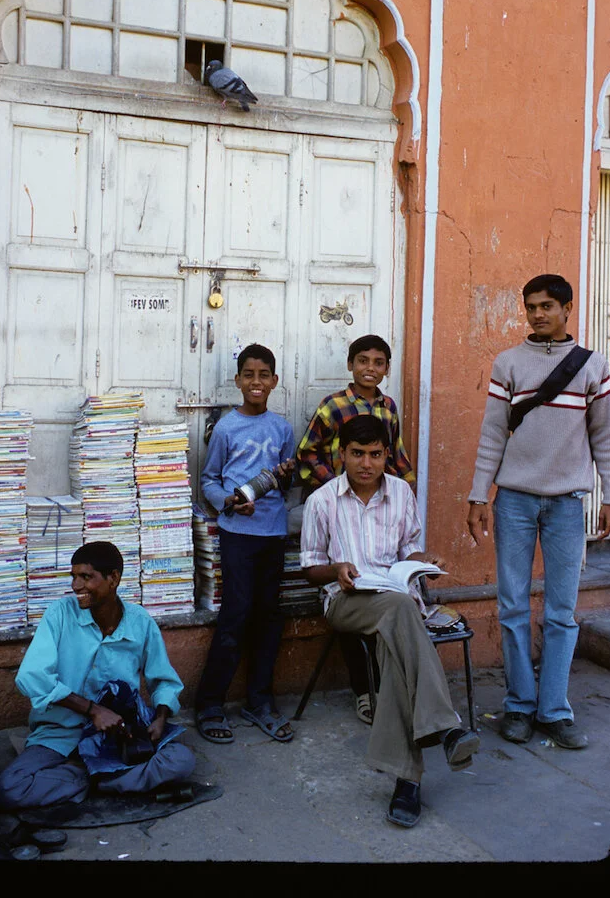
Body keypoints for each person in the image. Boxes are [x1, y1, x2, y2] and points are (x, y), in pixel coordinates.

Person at [300, 414, 479, 828]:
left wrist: (424, 561)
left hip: (396, 600)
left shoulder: (401, 493)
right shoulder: (322, 500)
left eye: (376, 455)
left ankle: (408, 781)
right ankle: (445, 726)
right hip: (347, 600)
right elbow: (310, 567)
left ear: (387, 456)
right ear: (341, 454)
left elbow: (409, 550)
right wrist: (338, 568)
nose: (367, 463)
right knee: (400, 611)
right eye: (357, 454)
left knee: (396, 650)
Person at [467, 274, 610, 750]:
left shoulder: (594, 367)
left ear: (567, 308)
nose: (538, 314)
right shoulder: (508, 363)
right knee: (512, 604)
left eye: (547, 306)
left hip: (567, 505)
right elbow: (493, 434)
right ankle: (518, 706)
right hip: (512, 499)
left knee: (562, 611)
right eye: (531, 306)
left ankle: (554, 710)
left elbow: (605, 438)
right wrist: (477, 496)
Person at [0, 541, 195, 809]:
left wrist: (160, 718)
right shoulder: (59, 614)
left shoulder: (140, 622)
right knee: (9, 788)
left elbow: (163, 680)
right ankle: (102, 778)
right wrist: (91, 710)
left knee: (181, 760)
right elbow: (32, 676)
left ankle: (85, 779)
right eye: (74, 577)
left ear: (113, 578)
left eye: (86, 577)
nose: (76, 586)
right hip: (61, 734)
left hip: (117, 737)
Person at [296, 334, 416, 726]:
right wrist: (336, 483)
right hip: (343, 509)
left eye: (378, 362)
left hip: (377, 508)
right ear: (350, 364)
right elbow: (307, 451)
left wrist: (401, 487)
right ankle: (368, 692)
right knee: (352, 593)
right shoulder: (334, 406)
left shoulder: (389, 407)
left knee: (393, 597)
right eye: (362, 360)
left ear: (386, 368)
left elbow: (395, 453)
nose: (370, 368)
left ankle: (399, 693)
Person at [195, 343, 296, 745]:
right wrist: (229, 502)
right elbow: (208, 480)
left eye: (264, 375)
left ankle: (259, 701)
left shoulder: (283, 428)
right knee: (235, 616)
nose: (256, 382)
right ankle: (210, 703)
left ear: (275, 381)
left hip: (273, 534)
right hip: (239, 534)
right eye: (248, 375)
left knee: (269, 618)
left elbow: (287, 485)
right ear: (237, 381)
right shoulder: (226, 428)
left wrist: (286, 474)